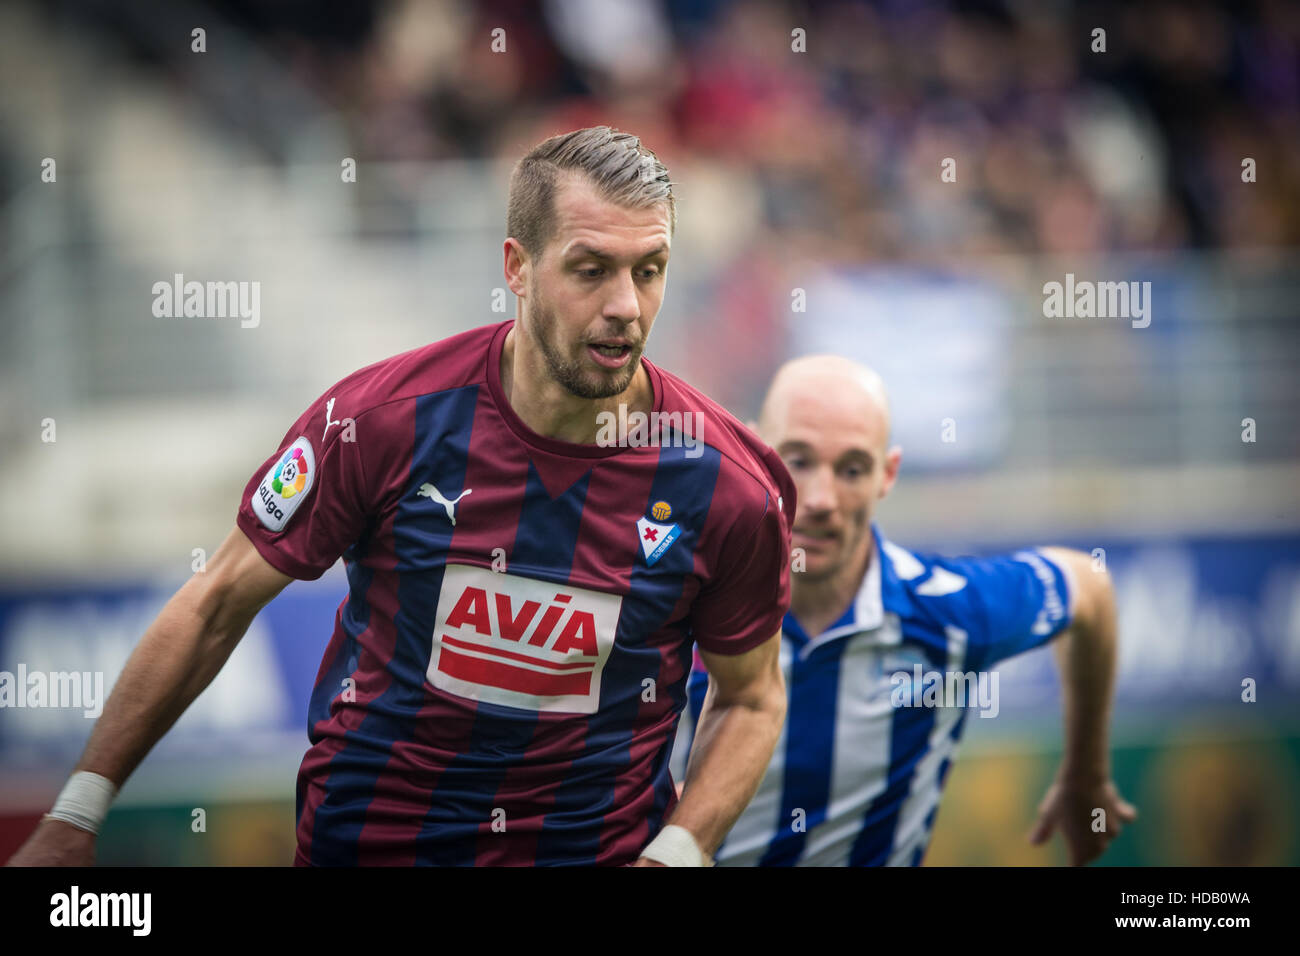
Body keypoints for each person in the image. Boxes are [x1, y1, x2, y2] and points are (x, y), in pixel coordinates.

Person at [7, 126, 794, 868]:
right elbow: (216, 602)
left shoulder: (726, 485)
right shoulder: (379, 423)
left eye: (649, 270)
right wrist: (76, 813)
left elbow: (752, 697)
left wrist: (678, 852)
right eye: (591, 269)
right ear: (517, 267)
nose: (626, 304)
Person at [673, 355, 1136, 866]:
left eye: (852, 468)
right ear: (755, 453)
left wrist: (1086, 773)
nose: (823, 498)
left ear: (887, 475)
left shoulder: (949, 614)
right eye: (798, 460)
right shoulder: (679, 609)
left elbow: (1089, 588)